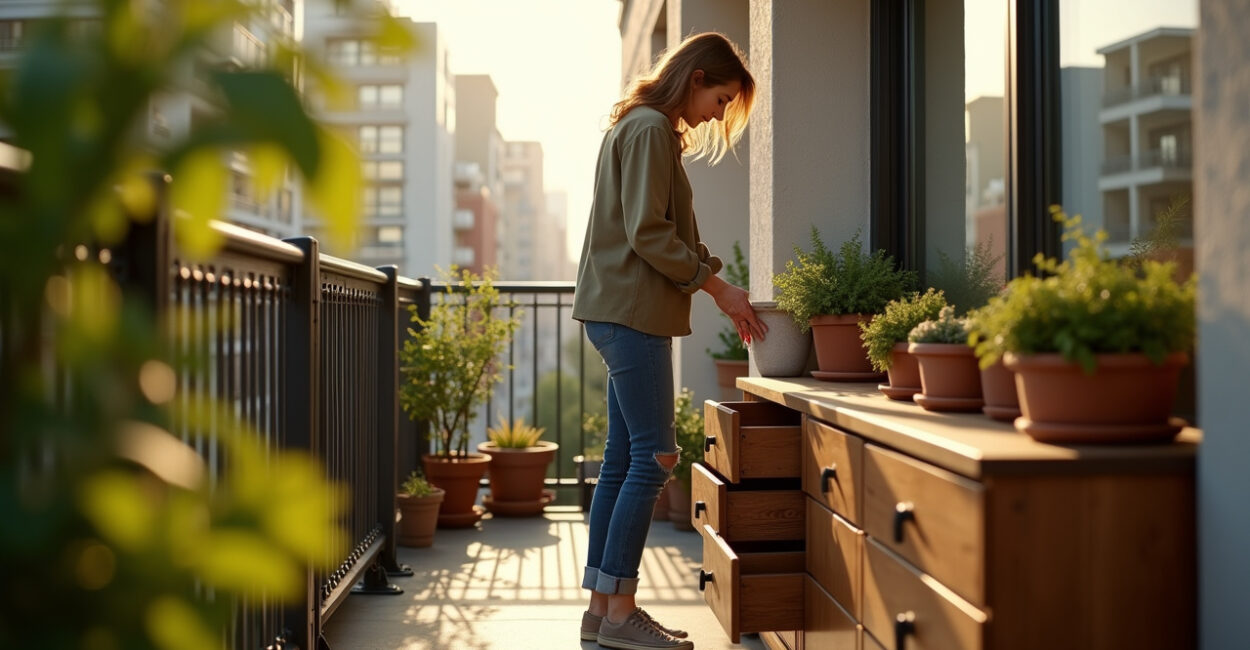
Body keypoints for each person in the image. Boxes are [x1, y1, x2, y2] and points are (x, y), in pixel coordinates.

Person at [571, 32, 765, 650]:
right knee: (655, 459)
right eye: (721, 98)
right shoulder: (652, 128)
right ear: (698, 75)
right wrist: (719, 290)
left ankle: (602, 612)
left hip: (618, 311)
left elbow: (670, 230)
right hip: (634, 315)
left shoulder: (642, 126)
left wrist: (719, 279)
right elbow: (649, 234)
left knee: (623, 463)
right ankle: (623, 614)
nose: (718, 113)